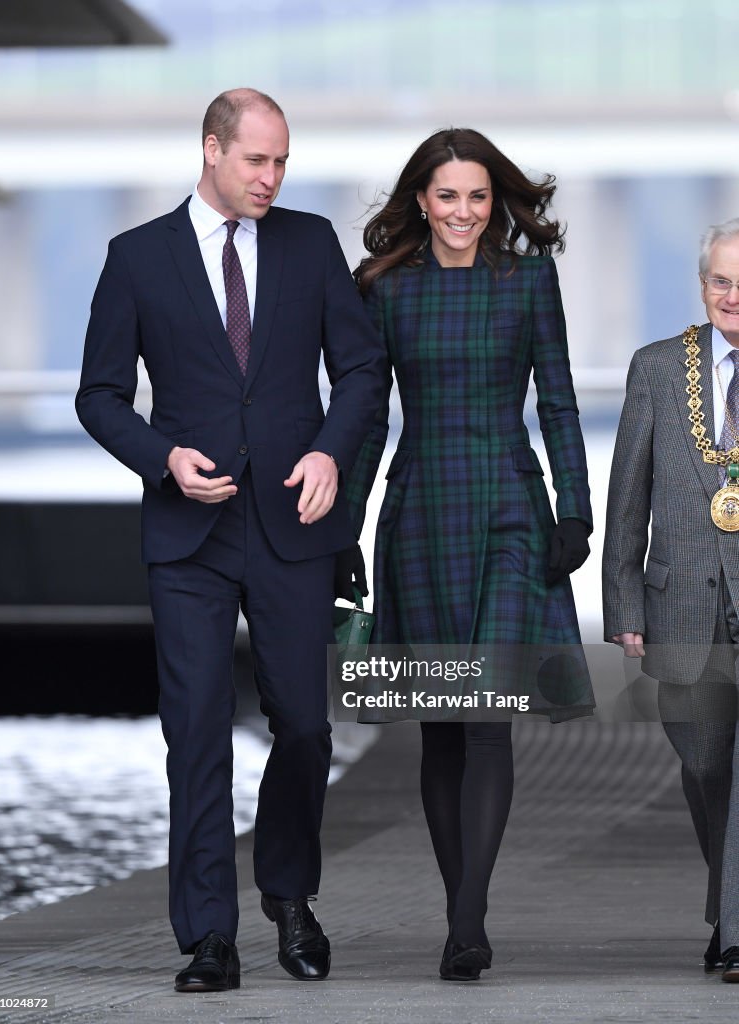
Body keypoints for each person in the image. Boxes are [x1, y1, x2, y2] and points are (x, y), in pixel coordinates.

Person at [76, 88, 385, 992]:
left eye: (282, 160)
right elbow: (98, 396)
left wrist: (332, 452)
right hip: (189, 536)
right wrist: (161, 455)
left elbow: (362, 368)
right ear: (210, 150)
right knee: (197, 733)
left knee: (304, 728)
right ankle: (208, 935)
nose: (272, 177)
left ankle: (290, 897)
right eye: (257, 160)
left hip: (295, 522)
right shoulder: (136, 259)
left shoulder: (311, 241)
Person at [343, 128, 592, 981]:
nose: (463, 212)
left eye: (479, 196)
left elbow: (558, 403)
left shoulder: (529, 280)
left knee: (489, 717)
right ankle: (462, 914)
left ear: (497, 202)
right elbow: (368, 420)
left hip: (512, 513)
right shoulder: (383, 289)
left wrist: (577, 511)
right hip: (419, 511)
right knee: (442, 726)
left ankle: (467, 923)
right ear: (421, 199)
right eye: (447, 196)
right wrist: (344, 526)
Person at [603, 217, 739, 984]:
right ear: (702, 286)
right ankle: (729, 909)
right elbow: (628, 494)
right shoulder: (659, 368)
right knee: (707, 763)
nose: (733, 296)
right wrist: (623, 603)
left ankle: (737, 934)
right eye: (720, 281)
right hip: (683, 602)